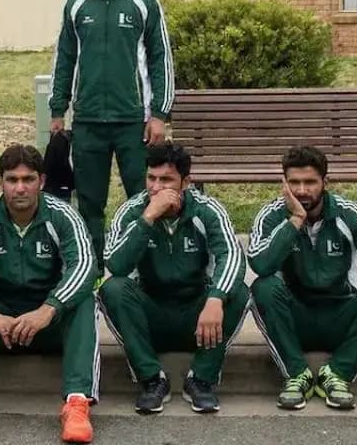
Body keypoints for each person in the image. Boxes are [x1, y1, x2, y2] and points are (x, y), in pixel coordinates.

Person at [0, 145, 98, 444]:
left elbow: (85, 267)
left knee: (85, 299)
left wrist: (48, 309)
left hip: (48, 324)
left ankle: (77, 403)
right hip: (1, 325)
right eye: (12, 180)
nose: (20, 188)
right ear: (1, 182)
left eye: (28, 179)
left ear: (42, 181)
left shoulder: (63, 216)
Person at [49, 0, 174, 267]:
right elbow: (64, 57)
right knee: (90, 200)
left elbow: (161, 58)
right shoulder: (76, 4)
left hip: (134, 121)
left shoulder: (143, 2)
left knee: (142, 196)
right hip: (87, 120)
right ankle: (93, 268)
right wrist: (58, 108)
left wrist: (160, 114)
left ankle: (141, 266)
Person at [247, 146, 357, 412]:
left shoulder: (349, 213)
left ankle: (337, 374)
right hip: (295, 319)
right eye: (294, 182)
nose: (302, 190)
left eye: (310, 182)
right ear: (283, 184)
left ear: (325, 182)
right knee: (263, 287)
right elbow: (261, 263)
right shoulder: (272, 215)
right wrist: (296, 219)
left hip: (341, 316)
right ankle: (297, 374)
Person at [99, 143, 248, 414]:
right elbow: (116, 264)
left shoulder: (208, 210)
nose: (156, 187)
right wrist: (148, 218)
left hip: (197, 316)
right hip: (151, 314)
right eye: (151, 178)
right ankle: (152, 380)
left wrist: (215, 299)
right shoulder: (132, 210)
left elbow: (233, 257)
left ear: (186, 182)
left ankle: (201, 379)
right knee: (113, 289)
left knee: (238, 291)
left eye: (166, 179)